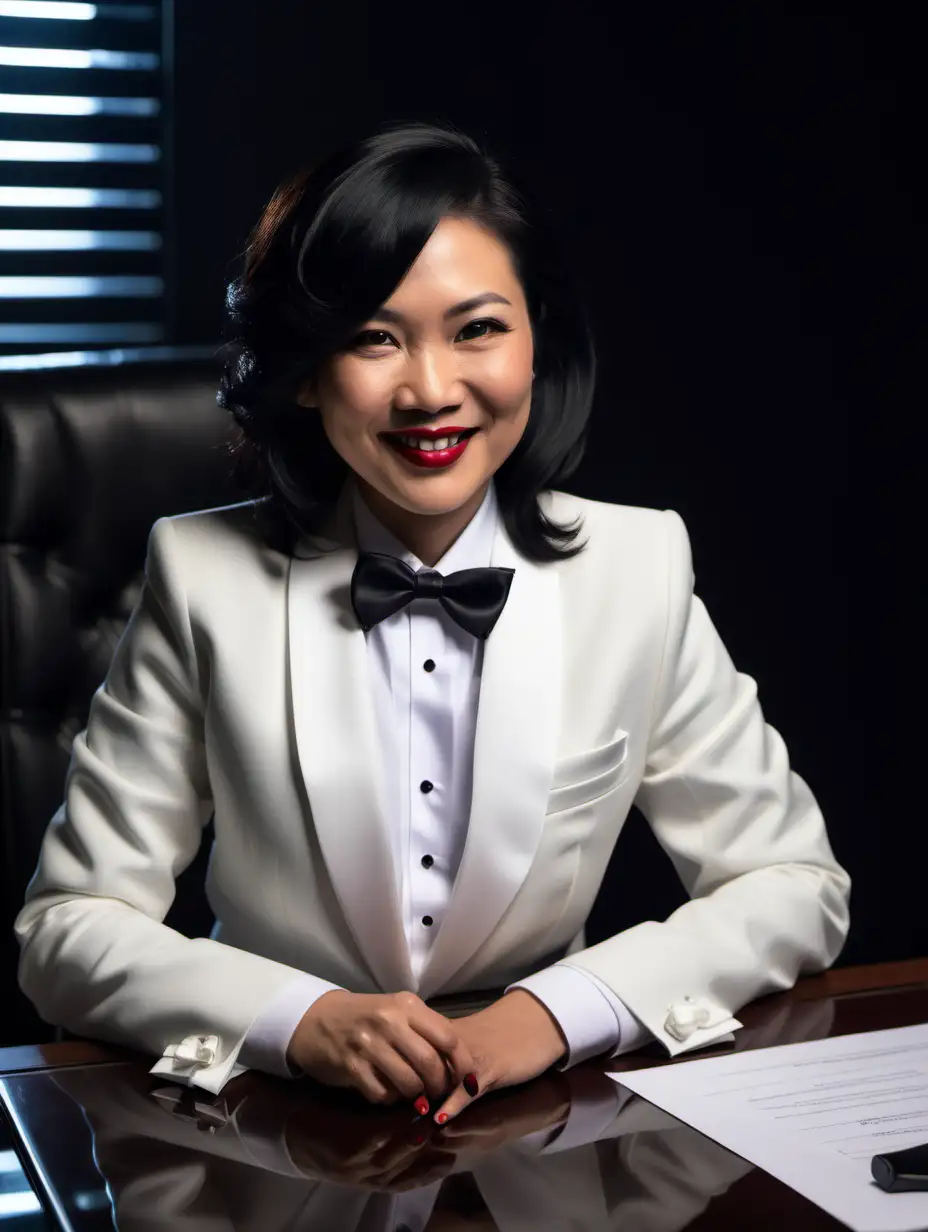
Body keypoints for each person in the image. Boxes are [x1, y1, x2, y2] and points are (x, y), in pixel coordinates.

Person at [14, 121, 851, 1127]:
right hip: (270, 1137)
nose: (430, 388)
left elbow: (794, 882)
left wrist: (553, 1011)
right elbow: (66, 926)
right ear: (308, 370)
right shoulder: (200, 575)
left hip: (540, 1131)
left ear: (537, 339)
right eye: (374, 336)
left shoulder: (638, 567)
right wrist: (297, 1016)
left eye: (478, 328)